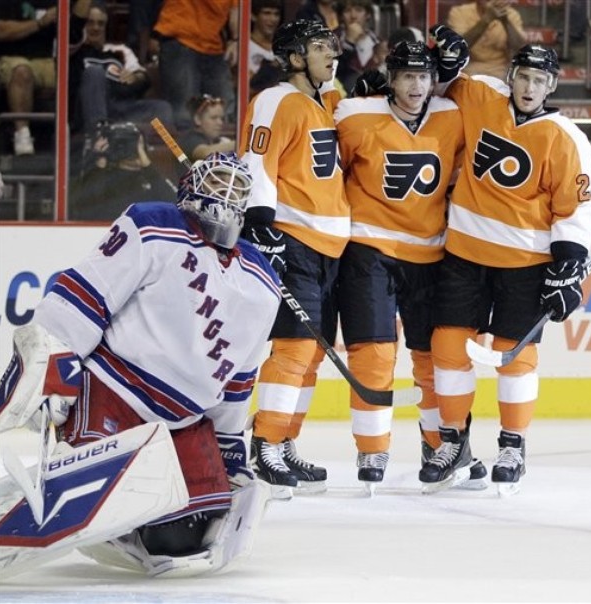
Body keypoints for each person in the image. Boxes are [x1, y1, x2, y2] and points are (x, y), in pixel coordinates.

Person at [0, 151, 281, 575]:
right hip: (114, 393)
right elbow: (88, 292)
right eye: (217, 181)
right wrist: (56, 367)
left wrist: (230, 447)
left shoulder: (263, 283)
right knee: (99, 495)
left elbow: (239, 376)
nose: (225, 193)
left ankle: (122, 527)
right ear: (190, 187)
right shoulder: (154, 224)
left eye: (236, 187)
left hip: (183, 421)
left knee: (182, 541)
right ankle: (106, 511)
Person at [423, 28, 591, 495]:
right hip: (464, 253)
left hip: (525, 263)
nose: (528, 87)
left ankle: (512, 446)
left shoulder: (567, 139)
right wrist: (447, 62)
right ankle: (453, 441)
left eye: (539, 80)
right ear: (510, 76)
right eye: (523, 76)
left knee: (512, 354)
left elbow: (575, 208)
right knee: (448, 345)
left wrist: (566, 264)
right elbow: (435, 89)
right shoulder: (482, 94)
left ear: (552, 86)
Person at [334, 41, 486, 492]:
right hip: (369, 251)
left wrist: (461, 68)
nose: (416, 85)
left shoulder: (451, 115)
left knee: (431, 358)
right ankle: (372, 450)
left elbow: (496, 116)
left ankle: (441, 445)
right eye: (407, 76)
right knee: (374, 354)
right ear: (390, 78)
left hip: (431, 253)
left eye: (424, 76)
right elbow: (322, 168)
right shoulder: (353, 115)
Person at [239, 19, 350, 495]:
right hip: (292, 239)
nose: (332, 54)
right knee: (293, 348)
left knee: (313, 354)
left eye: (332, 45)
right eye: (320, 46)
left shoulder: (324, 103)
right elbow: (255, 163)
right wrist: (261, 226)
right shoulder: (275, 100)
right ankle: (264, 444)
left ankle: (285, 443)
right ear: (296, 56)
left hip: (329, 248)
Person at [69, 1, 174, 138]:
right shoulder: (72, 52)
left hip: (119, 108)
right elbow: (75, 25)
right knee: (95, 72)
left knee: (161, 108)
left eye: (101, 24)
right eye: (90, 22)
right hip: (87, 110)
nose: (96, 28)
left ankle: (160, 150)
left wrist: (136, 77)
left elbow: (144, 78)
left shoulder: (120, 51)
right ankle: (98, 141)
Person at [0, 0, 90, 155]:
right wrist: (39, 23)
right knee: (22, 71)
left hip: (46, 62)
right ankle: (22, 134)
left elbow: (73, 31)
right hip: (10, 58)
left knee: (77, 74)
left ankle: (81, 136)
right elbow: (1, 31)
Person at [152, 0, 238, 129]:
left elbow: (236, 10)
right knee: (184, 114)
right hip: (180, 39)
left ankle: (221, 147)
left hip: (213, 46)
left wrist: (236, 39)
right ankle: (185, 148)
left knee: (225, 111)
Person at [70, 121, 177, 220]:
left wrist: (147, 166)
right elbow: (85, 210)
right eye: (123, 144)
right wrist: (101, 158)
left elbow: (175, 205)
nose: (132, 149)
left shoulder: (151, 177)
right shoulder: (104, 178)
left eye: (137, 144)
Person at [446, 0, 526, 80]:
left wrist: (506, 21)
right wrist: (486, 20)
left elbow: (520, 50)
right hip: (468, 71)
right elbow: (458, 47)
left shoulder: (511, 15)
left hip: (500, 73)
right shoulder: (459, 12)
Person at [335, 0, 383, 95]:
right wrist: (349, 42)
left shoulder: (379, 43)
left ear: (368, 14)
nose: (353, 16)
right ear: (341, 16)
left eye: (358, 10)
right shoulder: (331, 39)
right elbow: (333, 73)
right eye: (347, 11)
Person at [179, 95, 235, 162]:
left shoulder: (221, 141)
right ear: (198, 119)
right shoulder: (189, 140)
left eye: (221, 118)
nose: (220, 123)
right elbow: (205, 153)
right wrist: (239, 143)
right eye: (213, 118)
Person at [249, 0, 283, 99]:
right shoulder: (243, 46)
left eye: (276, 14)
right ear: (253, 16)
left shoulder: (283, 47)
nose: (273, 19)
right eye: (266, 13)